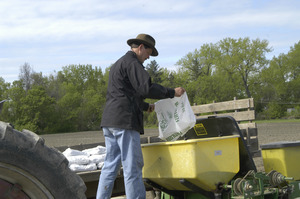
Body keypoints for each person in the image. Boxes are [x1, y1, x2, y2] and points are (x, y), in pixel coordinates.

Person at [97, 33, 185, 199]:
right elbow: (146, 88)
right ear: (141, 47)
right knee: (133, 167)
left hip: (110, 121)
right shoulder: (133, 63)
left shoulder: (118, 64)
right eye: (148, 53)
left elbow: (124, 93)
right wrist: (172, 92)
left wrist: (145, 106)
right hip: (125, 122)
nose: (148, 58)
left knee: (110, 166)